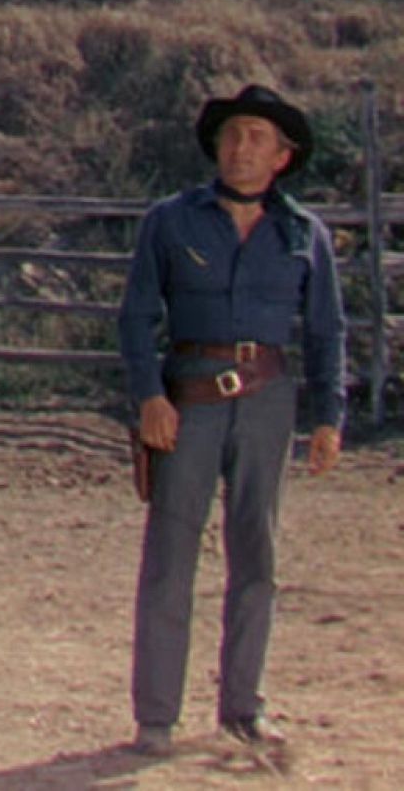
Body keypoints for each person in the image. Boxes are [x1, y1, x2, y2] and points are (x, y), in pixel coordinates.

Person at [117, 84, 346, 756]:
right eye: (231, 134)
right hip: (187, 401)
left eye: (256, 138)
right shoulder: (171, 221)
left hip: (269, 401)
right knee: (170, 558)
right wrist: (149, 397)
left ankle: (244, 708)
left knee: (258, 556)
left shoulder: (305, 234)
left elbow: (327, 331)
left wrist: (328, 417)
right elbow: (135, 317)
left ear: (282, 156)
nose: (241, 148)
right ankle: (155, 717)